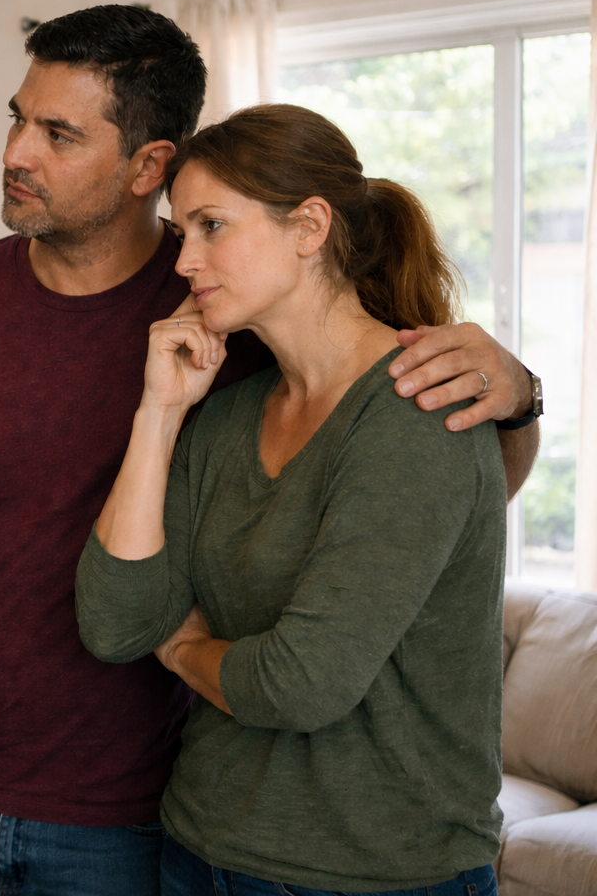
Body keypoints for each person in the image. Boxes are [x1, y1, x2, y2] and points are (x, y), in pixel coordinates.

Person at [0, 6, 538, 895]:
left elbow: (438, 506)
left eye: (58, 133)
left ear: (146, 164)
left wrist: (520, 398)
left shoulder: (250, 330)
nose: (15, 152)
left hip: (136, 813)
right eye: (17, 118)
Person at [76, 103, 505, 894]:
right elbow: (115, 620)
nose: (183, 263)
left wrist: (181, 650)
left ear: (310, 227)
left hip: (378, 876)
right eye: (182, 233)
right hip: (200, 851)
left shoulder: (416, 414)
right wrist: (160, 410)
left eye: (211, 226)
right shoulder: (233, 411)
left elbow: (300, 684)